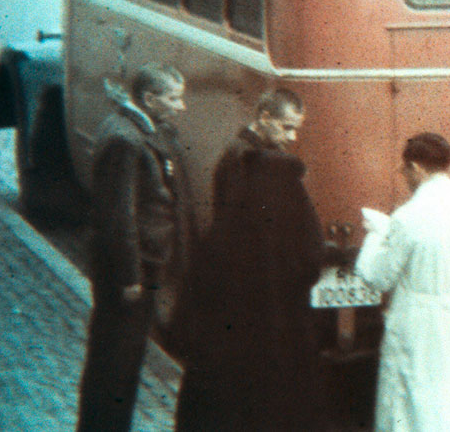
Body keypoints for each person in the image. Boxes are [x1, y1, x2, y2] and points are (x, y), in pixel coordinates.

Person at [172, 88, 328, 431]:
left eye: (296, 128)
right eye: (286, 127)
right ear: (265, 118)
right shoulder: (245, 160)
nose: (292, 137)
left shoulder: (246, 153)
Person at [356, 133, 450, 432]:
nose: (404, 176)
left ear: (417, 168)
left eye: (405, 169)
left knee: (413, 402)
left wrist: (374, 236)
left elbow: (379, 277)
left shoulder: (407, 217)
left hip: (418, 324)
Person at [76, 63, 188, 431]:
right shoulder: (127, 139)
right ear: (150, 98)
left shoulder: (138, 129)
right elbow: (119, 217)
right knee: (115, 363)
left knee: (122, 360)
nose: (180, 106)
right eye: (174, 98)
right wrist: (130, 277)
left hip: (142, 265)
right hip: (131, 271)